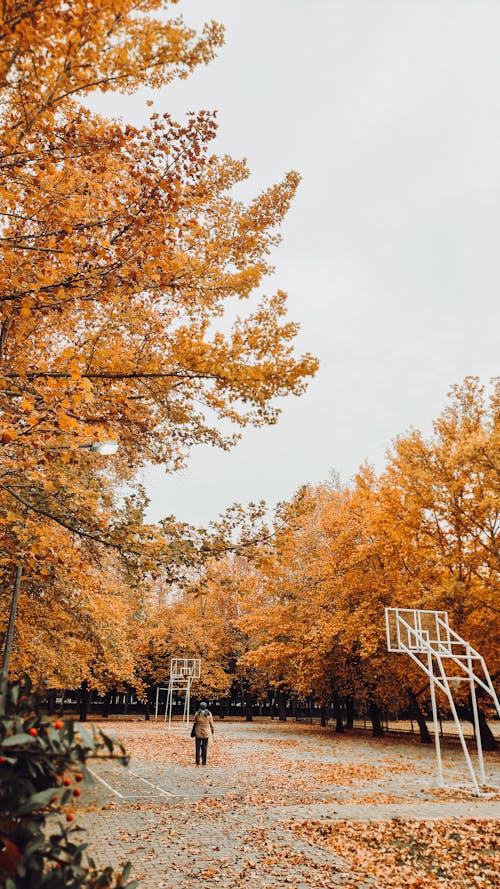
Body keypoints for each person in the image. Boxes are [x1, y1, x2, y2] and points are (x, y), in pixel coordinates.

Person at [192, 701, 214, 765]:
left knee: (197, 747)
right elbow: (211, 724)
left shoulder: (197, 714)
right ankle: (204, 761)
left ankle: (197, 761)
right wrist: (212, 731)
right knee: (204, 747)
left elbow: (195, 721)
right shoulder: (209, 714)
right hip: (205, 733)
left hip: (198, 732)